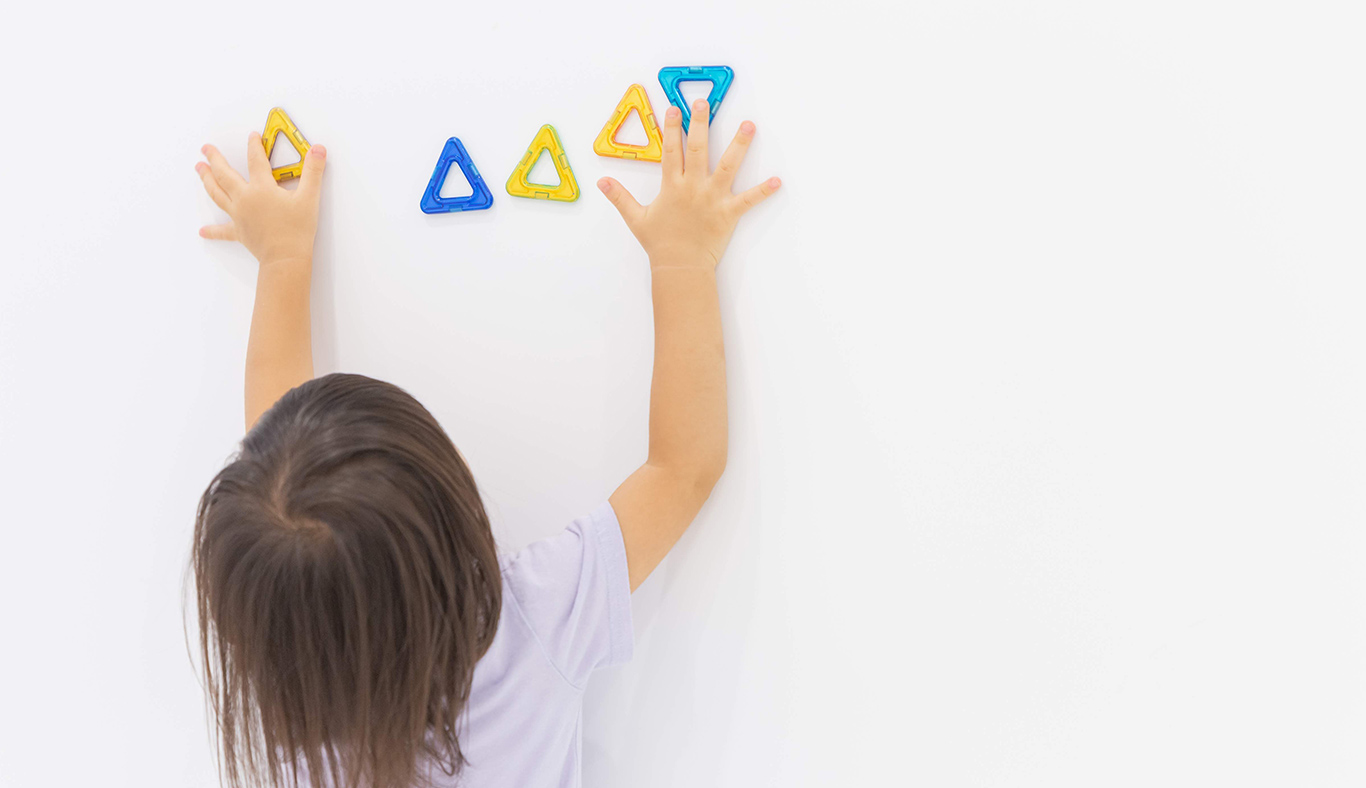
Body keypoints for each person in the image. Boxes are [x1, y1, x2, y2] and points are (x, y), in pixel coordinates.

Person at [190, 98, 780, 788]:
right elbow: (685, 465)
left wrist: (282, 260)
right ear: (459, 506)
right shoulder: (533, 620)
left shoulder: (292, 716)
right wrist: (682, 260)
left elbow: (289, 503)